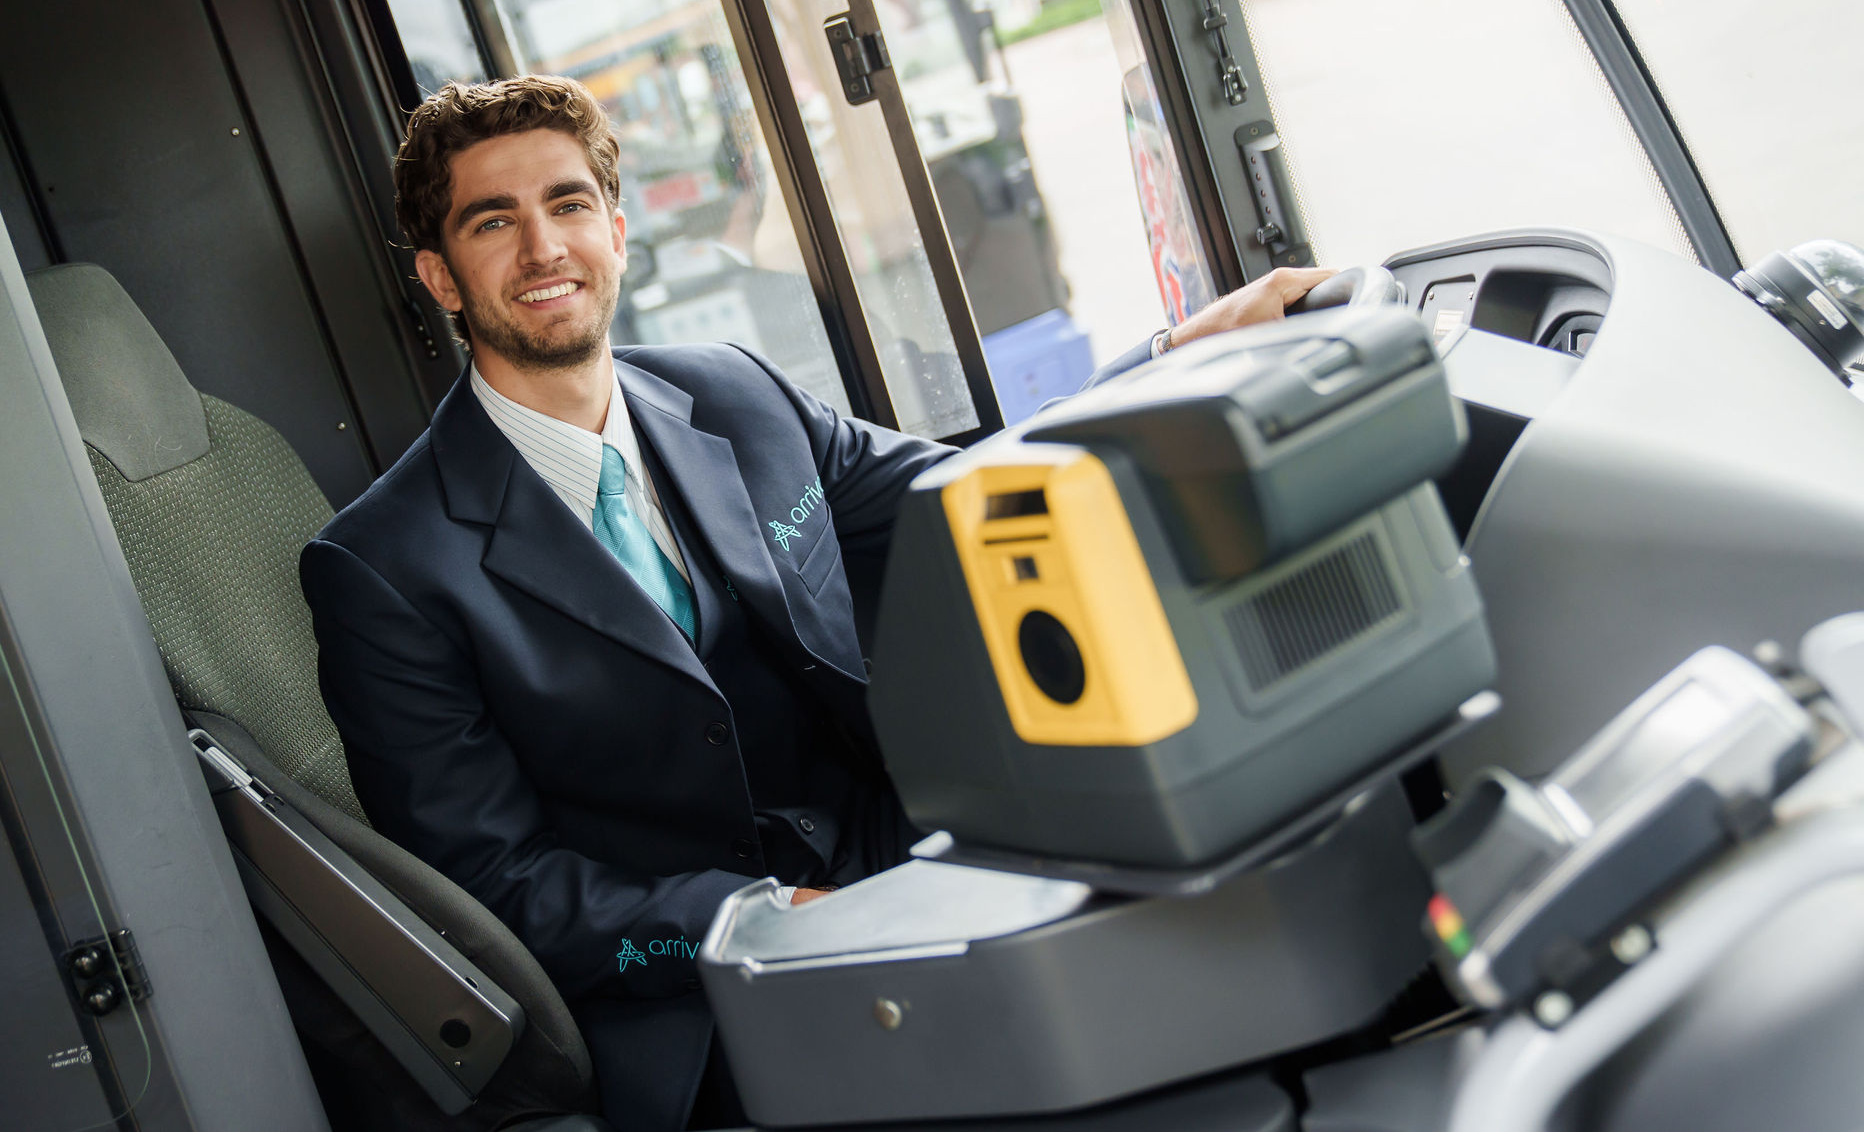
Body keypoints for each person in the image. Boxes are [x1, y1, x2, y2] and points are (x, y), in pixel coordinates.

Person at [300, 75, 1331, 1132]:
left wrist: (1170, 358)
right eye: (492, 222)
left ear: (614, 229)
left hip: (902, 845)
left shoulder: (731, 392)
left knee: (1232, 915)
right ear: (440, 276)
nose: (542, 248)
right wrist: (767, 915)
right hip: (706, 983)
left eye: (566, 206)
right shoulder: (382, 566)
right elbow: (500, 887)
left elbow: (963, 493)